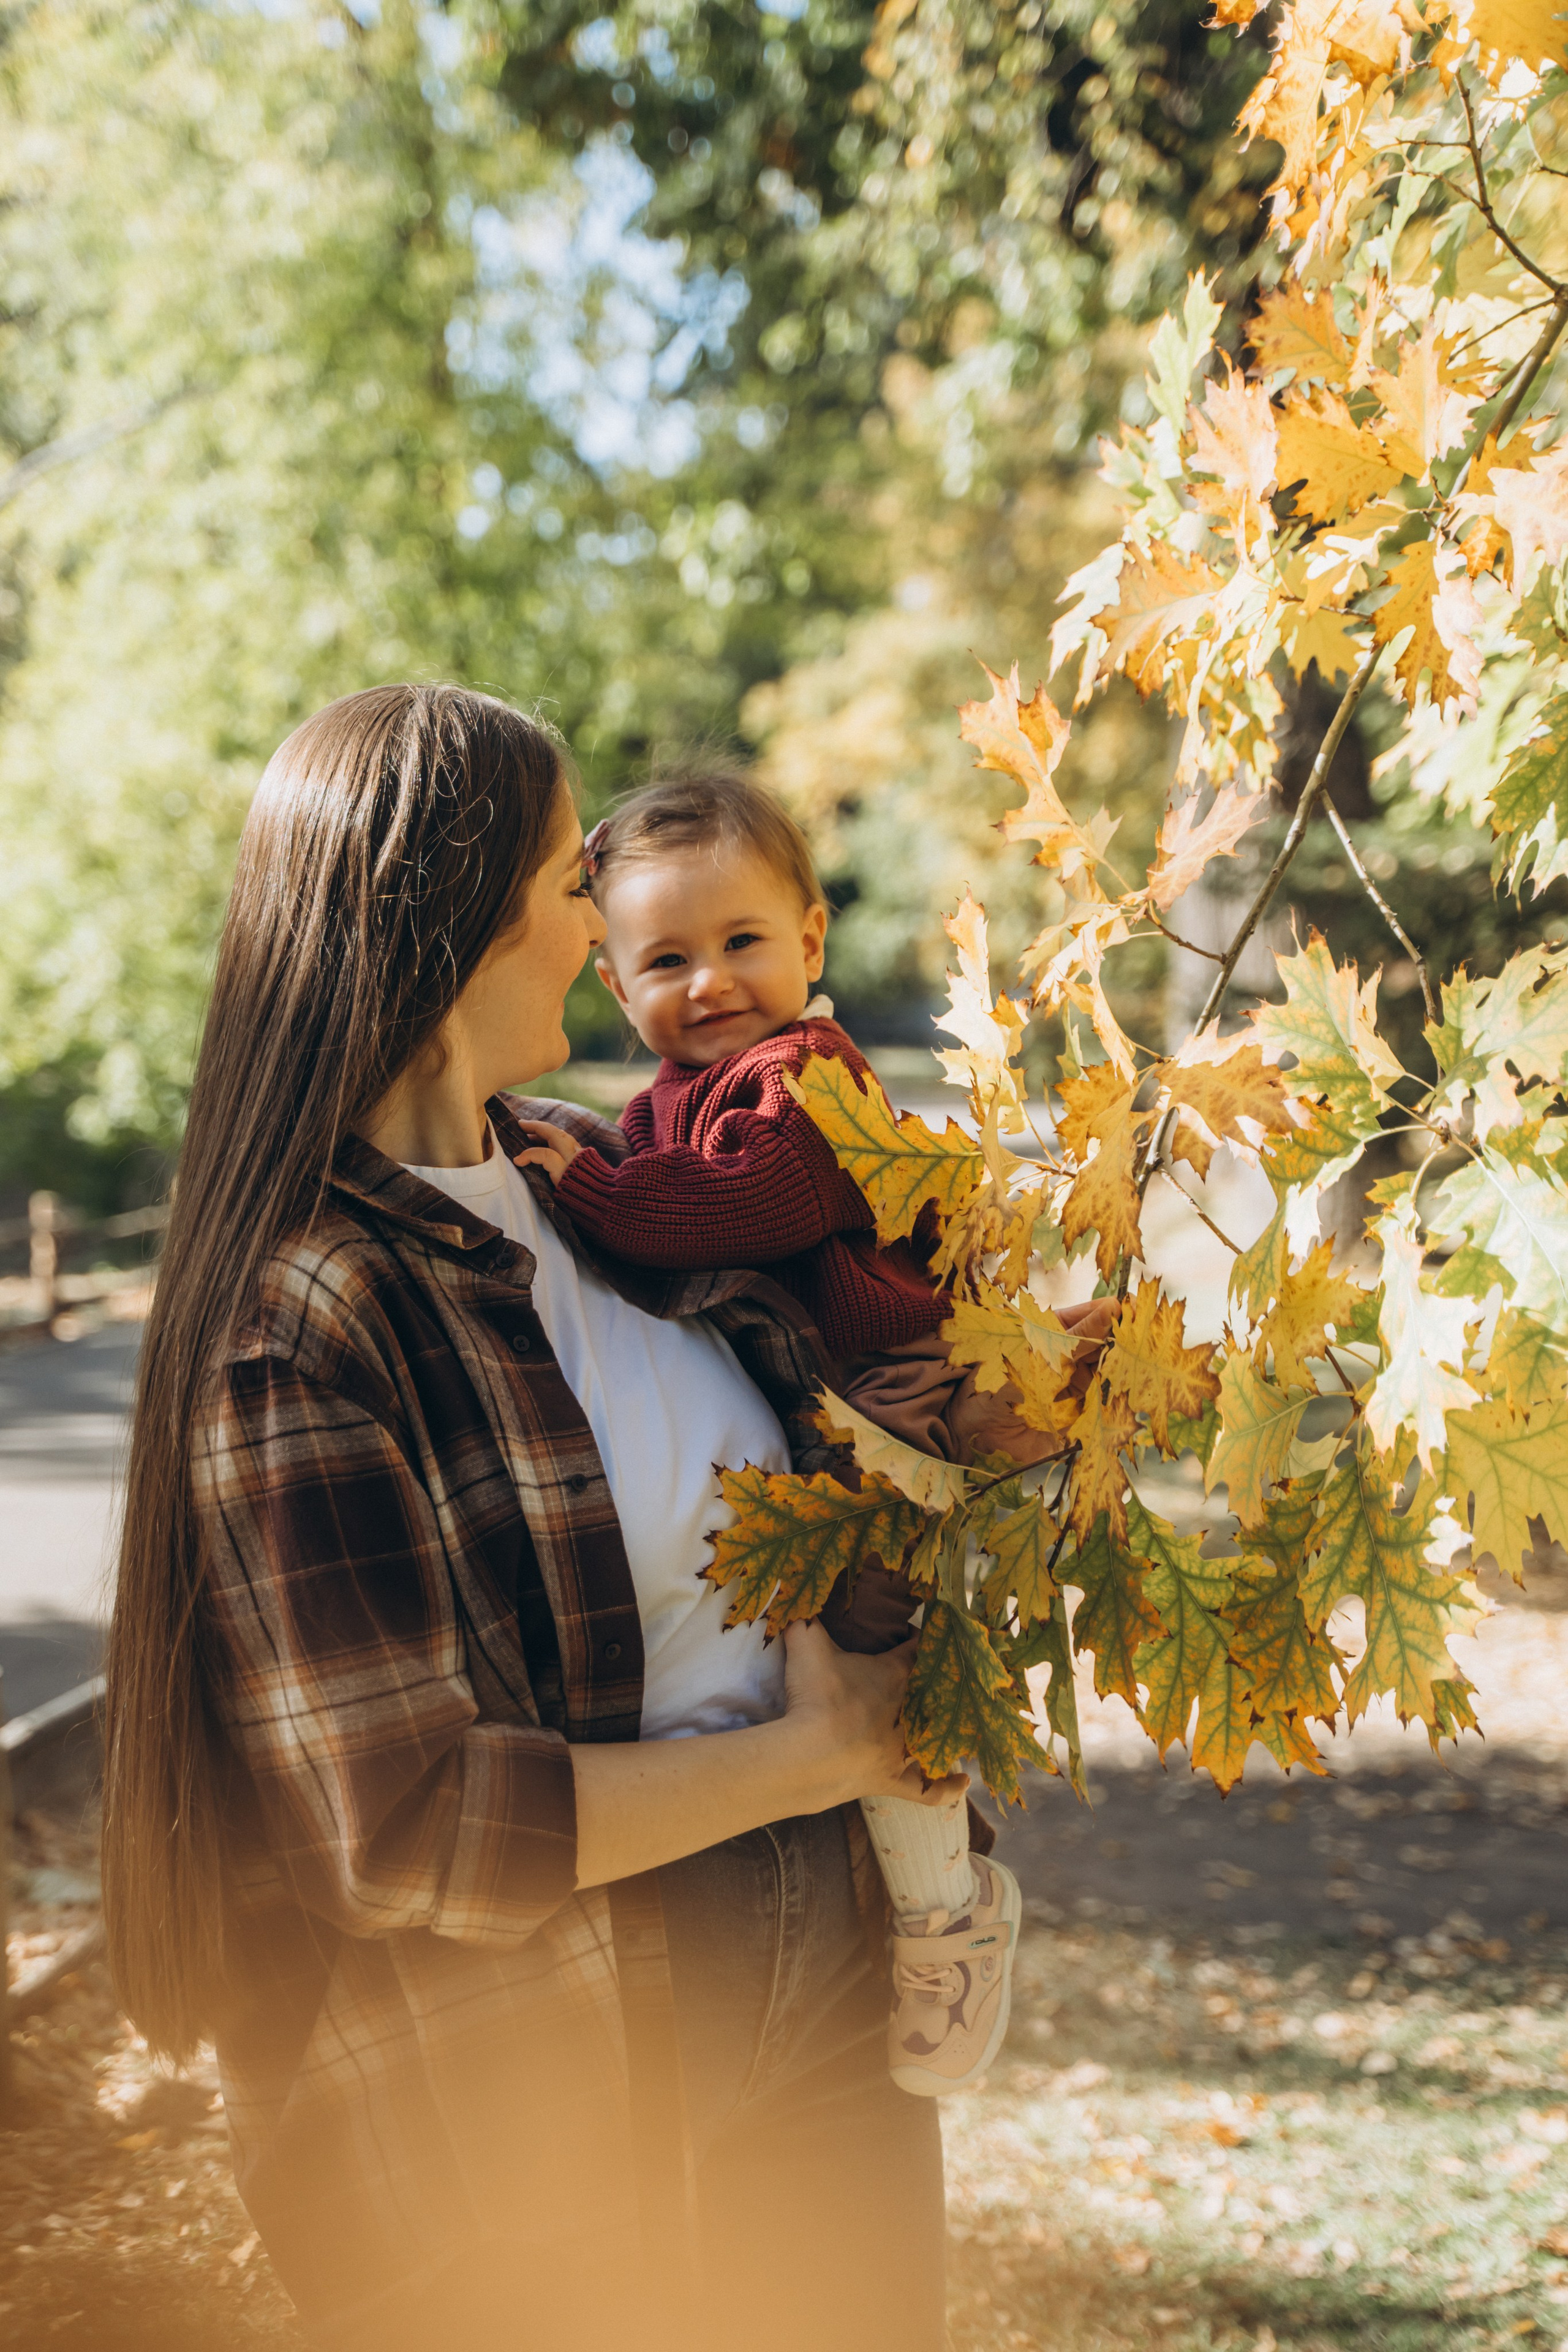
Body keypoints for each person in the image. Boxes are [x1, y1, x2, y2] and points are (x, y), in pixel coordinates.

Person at [102, 685, 968, 2352]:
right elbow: (408, 1827)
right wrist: (825, 1753)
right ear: (455, 936)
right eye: (573, 881)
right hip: (549, 2054)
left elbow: (836, 1398)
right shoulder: (301, 1316)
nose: (605, 918)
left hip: (825, 1959)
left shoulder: (598, 1180)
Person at [510, 768, 1107, 2099]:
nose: (709, 981)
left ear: (810, 944)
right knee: (826, 1669)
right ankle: (906, 1883)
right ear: (612, 979)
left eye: (740, 943)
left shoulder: (806, 1077)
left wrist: (602, 1199)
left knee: (877, 1662)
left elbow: (752, 1207)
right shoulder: (662, 1107)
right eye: (665, 958)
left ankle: (946, 1913)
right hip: (823, 1430)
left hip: (890, 1414)